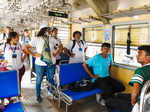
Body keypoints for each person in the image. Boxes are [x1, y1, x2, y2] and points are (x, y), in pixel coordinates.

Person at [25, 27, 55, 103]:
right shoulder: (36, 39)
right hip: (40, 63)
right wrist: (33, 54)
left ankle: (51, 92)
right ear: (44, 31)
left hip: (51, 63)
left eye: (50, 31)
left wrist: (57, 52)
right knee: (39, 80)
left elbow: (60, 45)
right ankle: (38, 95)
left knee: (51, 79)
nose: (50, 32)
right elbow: (26, 47)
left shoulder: (52, 39)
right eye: (49, 30)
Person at [2, 32, 27, 98]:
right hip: (10, 68)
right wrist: (3, 61)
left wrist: (23, 58)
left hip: (19, 67)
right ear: (12, 38)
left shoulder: (19, 44)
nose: (18, 38)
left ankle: (19, 94)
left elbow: (25, 53)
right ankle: (9, 97)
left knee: (18, 82)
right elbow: (6, 57)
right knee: (10, 83)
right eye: (17, 37)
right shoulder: (6, 45)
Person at [129, 45, 150, 111]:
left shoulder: (140, 71)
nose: (137, 56)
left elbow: (135, 91)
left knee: (110, 101)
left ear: (148, 57)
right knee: (120, 96)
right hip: (148, 100)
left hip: (140, 101)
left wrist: (133, 103)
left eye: (140, 53)